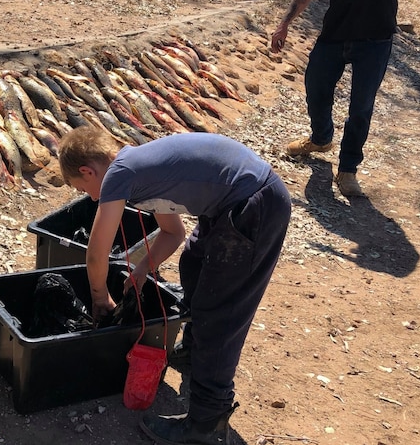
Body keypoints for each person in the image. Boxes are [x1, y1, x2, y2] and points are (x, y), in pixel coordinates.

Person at [58, 127, 291, 445]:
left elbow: (97, 255)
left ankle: (207, 421)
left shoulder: (119, 174)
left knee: (219, 315)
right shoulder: (137, 167)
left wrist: (100, 298)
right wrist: (141, 270)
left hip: (255, 204)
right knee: (193, 260)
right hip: (231, 205)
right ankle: (196, 353)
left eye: (83, 188)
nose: (91, 197)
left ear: (88, 170)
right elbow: (173, 233)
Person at [270, 0, 406, 198]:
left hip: (375, 40)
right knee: (315, 86)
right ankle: (320, 138)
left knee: (361, 107)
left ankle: (347, 170)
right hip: (335, 35)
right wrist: (285, 22)